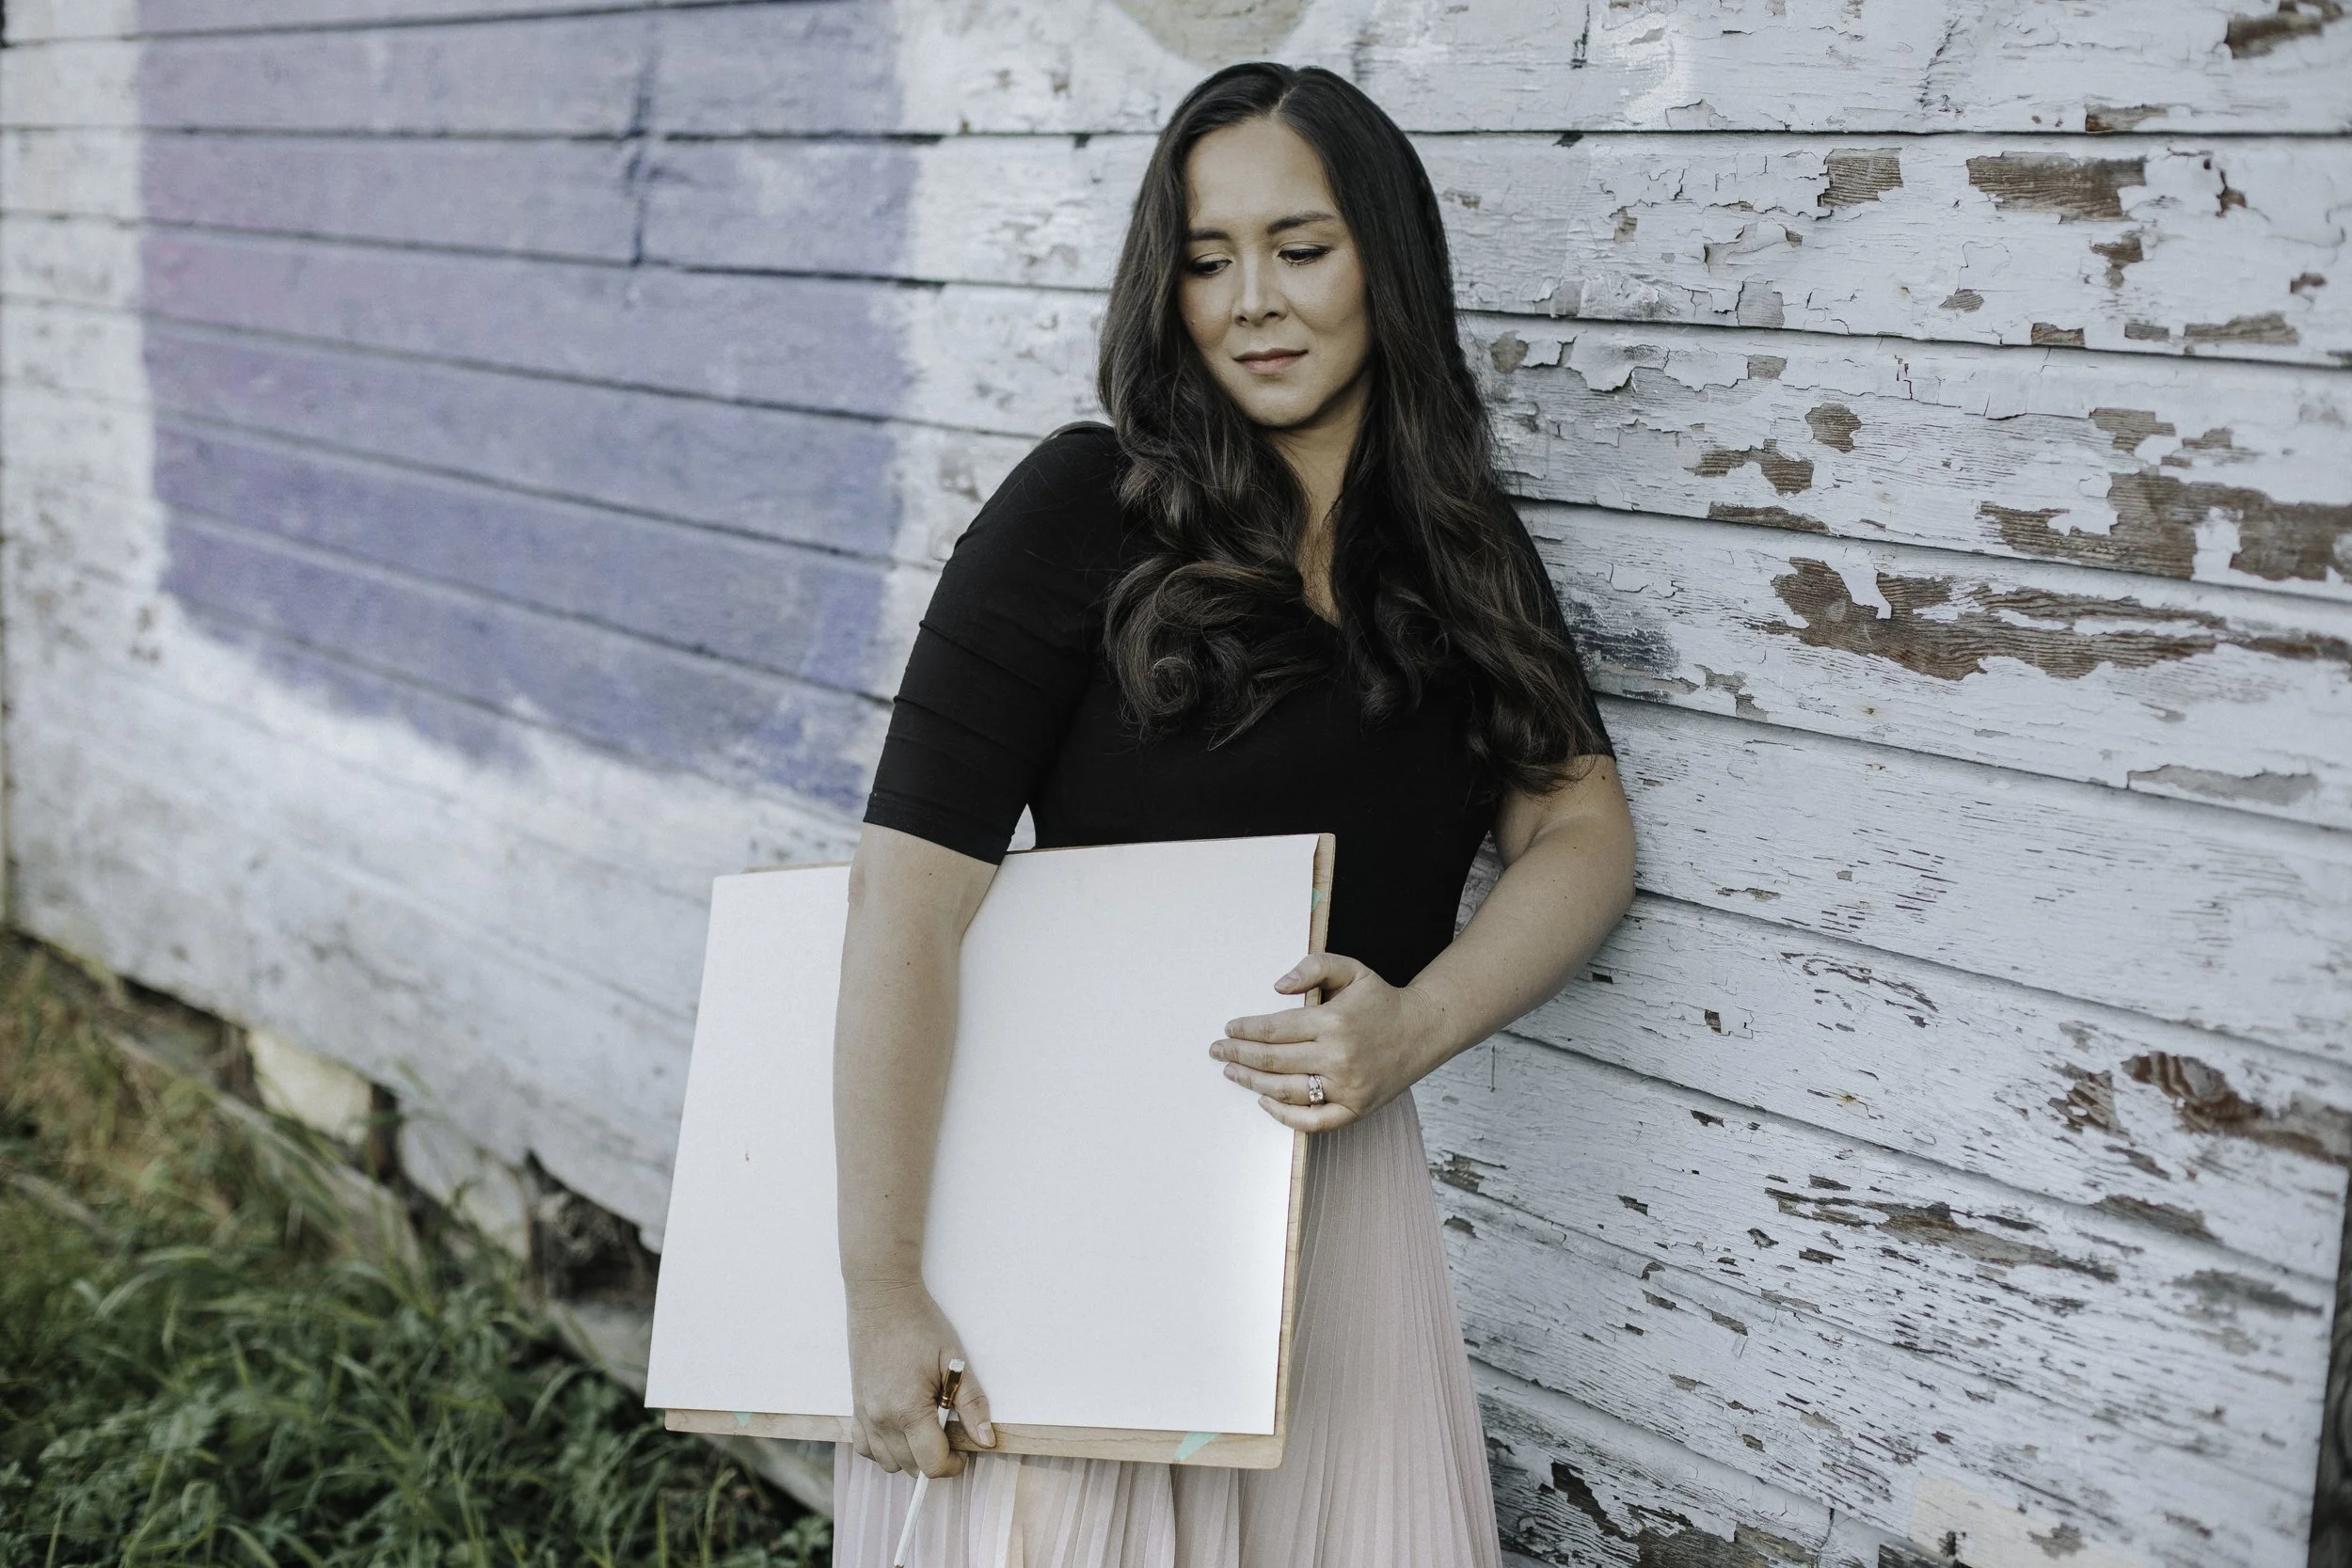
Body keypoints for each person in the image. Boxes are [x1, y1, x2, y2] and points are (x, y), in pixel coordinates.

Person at [828, 60, 1636, 1568]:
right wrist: (882, 1291)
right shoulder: (1083, 509)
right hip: (1079, 1194)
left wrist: (1420, 1022)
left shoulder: (1456, 548)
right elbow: (906, 902)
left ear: (1386, 262)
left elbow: (1583, 827)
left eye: (1302, 247)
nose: (1253, 299)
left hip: (1337, 1228)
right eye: (1207, 260)